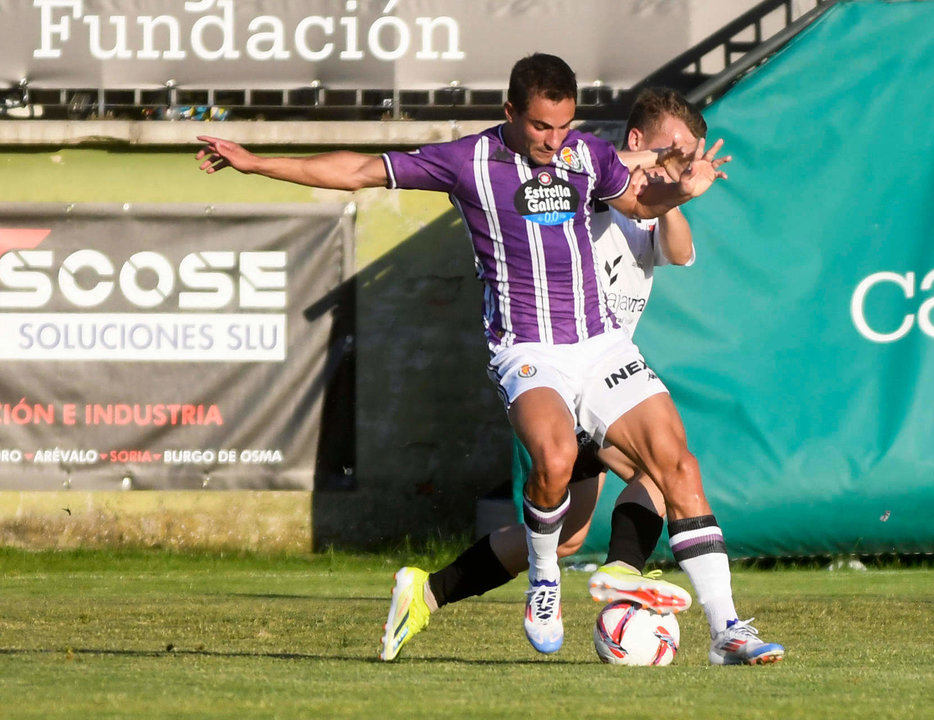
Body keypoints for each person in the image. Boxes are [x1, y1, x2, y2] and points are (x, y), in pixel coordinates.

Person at [195, 53, 783, 666]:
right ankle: (548, 579)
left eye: (564, 126)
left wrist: (675, 192)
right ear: (509, 113)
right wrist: (257, 161)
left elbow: (638, 203)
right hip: (528, 350)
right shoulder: (466, 161)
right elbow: (358, 170)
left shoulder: (586, 155)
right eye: (540, 128)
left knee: (677, 467)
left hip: (601, 346)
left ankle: (726, 629)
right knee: (556, 462)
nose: (555, 142)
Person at [380, 88, 711, 662]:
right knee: (661, 472)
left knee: (568, 537)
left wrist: (673, 191)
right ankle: (621, 577)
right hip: (557, 370)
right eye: (674, 148)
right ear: (634, 142)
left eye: (693, 151)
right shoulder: (582, 177)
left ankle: (428, 592)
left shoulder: (643, 205)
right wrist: (647, 173)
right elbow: (585, 174)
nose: (683, 158)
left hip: (605, 379)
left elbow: (680, 253)